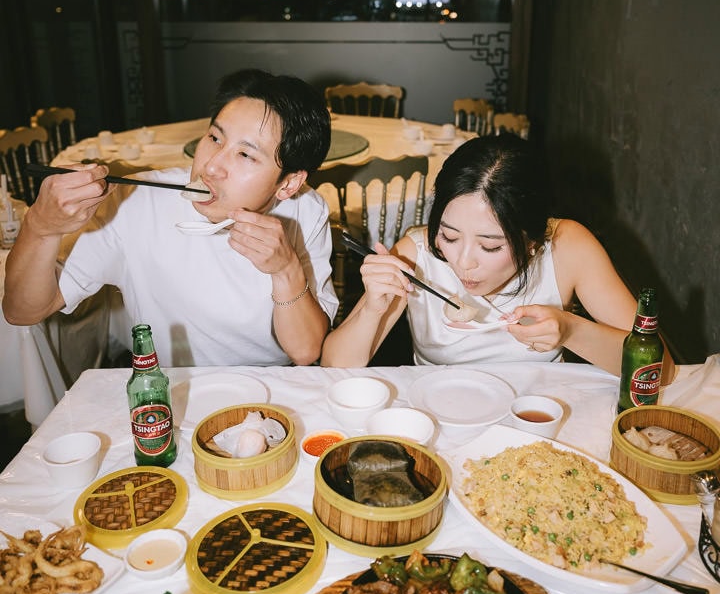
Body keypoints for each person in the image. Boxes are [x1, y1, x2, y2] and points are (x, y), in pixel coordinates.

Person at [3, 69, 338, 367]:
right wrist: (41, 227)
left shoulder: (305, 211)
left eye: (246, 154)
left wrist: (286, 269)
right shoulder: (137, 201)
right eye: (214, 138)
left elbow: (306, 352)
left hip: (268, 398)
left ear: (289, 183)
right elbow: (23, 311)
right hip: (172, 396)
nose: (211, 166)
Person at [321, 133, 675, 381]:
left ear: (533, 241)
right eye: (449, 235)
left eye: (491, 246)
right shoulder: (416, 254)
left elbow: (660, 368)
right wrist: (372, 306)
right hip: (441, 416)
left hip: (539, 418)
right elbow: (334, 368)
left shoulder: (568, 245)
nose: (463, 261)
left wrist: (571, 330)